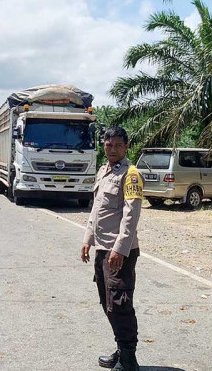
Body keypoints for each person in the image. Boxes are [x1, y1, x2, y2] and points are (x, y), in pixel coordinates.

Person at [80, 126, 143, 371]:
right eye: (108, 145)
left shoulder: (131, 174)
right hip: (102, 249)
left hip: (119, 252)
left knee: (119, 304)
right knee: (107, 302)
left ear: (126, 147)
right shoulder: (104, 171)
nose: (113, 149)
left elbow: (131, 215)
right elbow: (96, 210)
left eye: (118, 145)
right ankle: (121, 349)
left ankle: (129, 359)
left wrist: (120, 248)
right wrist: (87, 238)